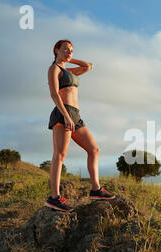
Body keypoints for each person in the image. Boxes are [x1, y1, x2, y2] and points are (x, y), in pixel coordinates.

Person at [45, 39, 114, 212]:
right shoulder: (54, 69)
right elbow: (54, 94)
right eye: (65, 49)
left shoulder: (69, 70)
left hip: (76, 115)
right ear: (56, 50)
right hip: (63, 113)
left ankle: (96, 189)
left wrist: (69, 58)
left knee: (94, 149)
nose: (69, 52)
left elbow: (89, 66)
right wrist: (66, 115)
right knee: (60, 155)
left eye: (71, 50)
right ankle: (54, 198)